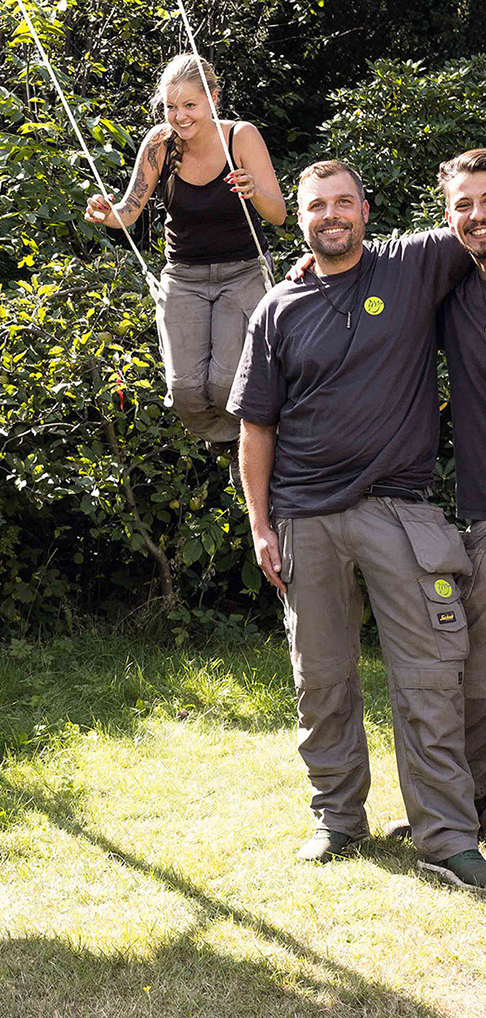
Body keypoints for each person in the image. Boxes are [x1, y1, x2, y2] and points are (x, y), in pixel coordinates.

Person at [227, 159, 486, 890]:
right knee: (323, 681)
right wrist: (260, 522)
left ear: (366, 211)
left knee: (431, 679)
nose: (330, 214)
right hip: (304, 517)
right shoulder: (276, 309)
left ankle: (446, 838)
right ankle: (336, 820)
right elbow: (256, 428)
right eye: (317, 206)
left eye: (344, 202)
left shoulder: (413, 265)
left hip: (402, 514)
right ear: (300, 216)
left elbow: (476, 218)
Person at [84, 54, 285, 464]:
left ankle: (250, 451)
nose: (179, 116)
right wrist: (107, 215)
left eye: (189, 105)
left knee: (230, 383)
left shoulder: (241, 137)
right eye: (170, 107)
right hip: (184, 278)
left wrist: (253, 190)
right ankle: (227, 442)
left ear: (212, 99)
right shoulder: (160, 143)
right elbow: (128, 213)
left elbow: (279, 214)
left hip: (243, 272)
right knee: (186, 391)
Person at [385, 150, 486, 845]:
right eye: (464, 205)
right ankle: (467, 809)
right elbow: (364, 266)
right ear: (447, 215)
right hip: (482, 509)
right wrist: (308, 267)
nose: (478, 216)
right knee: (472, 675)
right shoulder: (450, 288)